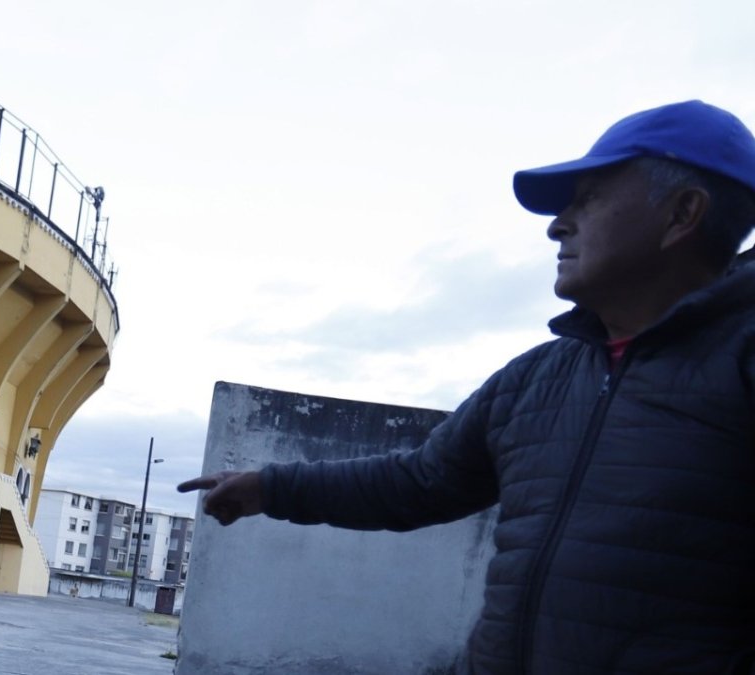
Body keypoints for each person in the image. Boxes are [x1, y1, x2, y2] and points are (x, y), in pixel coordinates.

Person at [178, 100, 755, 674]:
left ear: (682, 214)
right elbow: (419, 481)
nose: (558, 224)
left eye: (588, 199)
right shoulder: (534, 380)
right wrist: (271, 488)